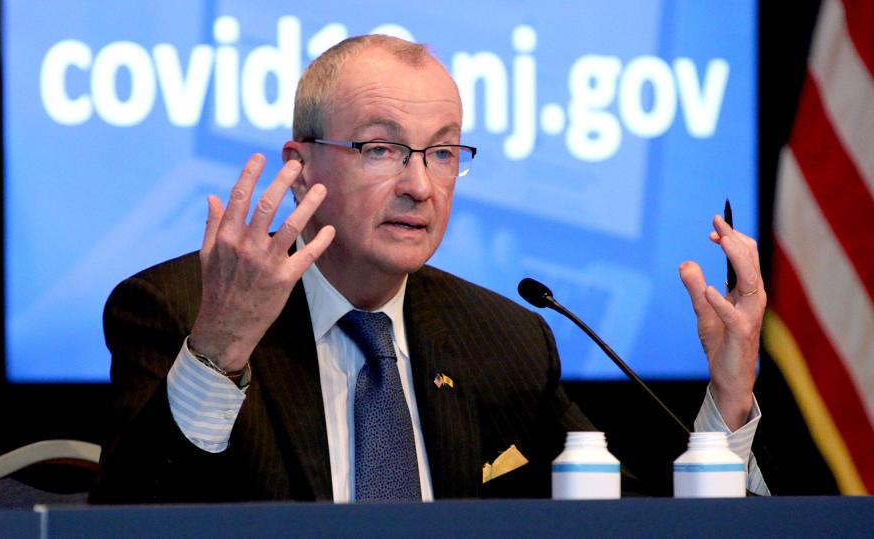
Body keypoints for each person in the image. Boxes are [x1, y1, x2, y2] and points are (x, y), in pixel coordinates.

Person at [91, 35, 769, 503]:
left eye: (443, 153)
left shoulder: (503, 340)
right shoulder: (178, 309)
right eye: (382, 149)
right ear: (298, 168)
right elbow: (128, 520)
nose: (421, 184)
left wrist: (730, 399)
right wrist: (217, 352)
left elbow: (641, 528)